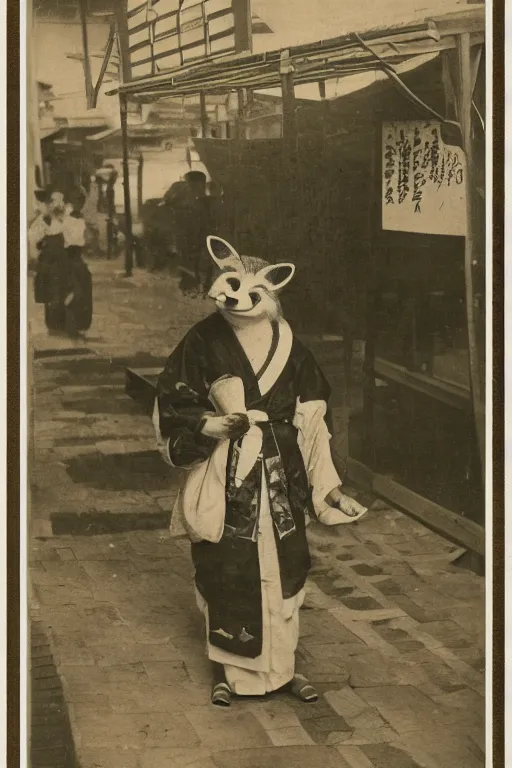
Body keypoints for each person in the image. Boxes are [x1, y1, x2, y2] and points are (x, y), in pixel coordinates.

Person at [153, 236, 366, 707]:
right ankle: (230, 672)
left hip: (281, 471)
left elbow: (313, 419)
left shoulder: (292, 347)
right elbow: (173, 398)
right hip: (227, 469)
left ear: (271, 295)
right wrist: (209, 423)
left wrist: (328, 489)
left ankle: (284, 670)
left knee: (284, 564)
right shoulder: (202, 339)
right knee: (227, 567)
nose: (236, 299)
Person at [32, 192, 69, 333]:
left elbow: (68, 237)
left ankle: (60, 322)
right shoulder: (42, 220)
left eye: (59, 202)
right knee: (50, 291)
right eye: (53, 202)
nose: (56, 205)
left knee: (60, 290)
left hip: (60, 259)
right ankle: (52, 324)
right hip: (49, 260)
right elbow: (34, 239)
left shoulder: (63, 220)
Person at [61, 191, 93, 337]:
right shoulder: (69, 218)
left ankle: (77, 325)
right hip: (70, 256)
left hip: (75, 256)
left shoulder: (76, 217)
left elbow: (84, 239)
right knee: (76, 289)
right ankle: (74, 325)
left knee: (80, 287)